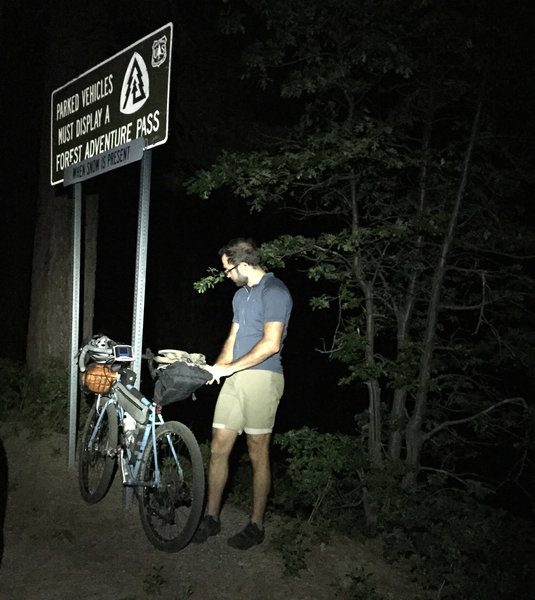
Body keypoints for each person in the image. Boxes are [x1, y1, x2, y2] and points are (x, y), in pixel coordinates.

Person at [193, 237, 292, 550]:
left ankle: (256, 524)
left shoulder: (275, 292)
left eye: (228, 269)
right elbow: (233, 338)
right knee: (219, 445)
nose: (227, 275)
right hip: (235, 378)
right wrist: (215, 369)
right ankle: (211, 517)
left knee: (256, 451)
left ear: (245, 265)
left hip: (264, 377)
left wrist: (229, 369)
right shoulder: (240, 297)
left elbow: (271, 344)